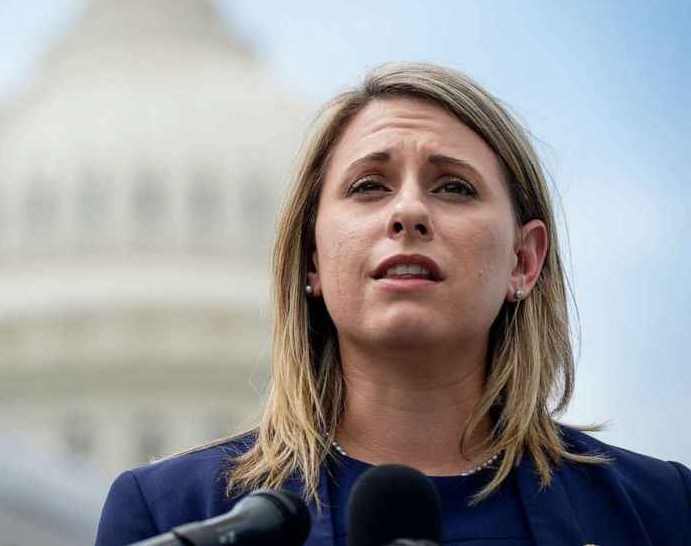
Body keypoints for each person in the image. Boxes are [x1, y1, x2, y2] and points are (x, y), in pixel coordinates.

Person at [95, 62, 691, 545]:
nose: (408, 212)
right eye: (369, 186)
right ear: (311, 260)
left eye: (453, 186)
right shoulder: (177, 515)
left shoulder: (660, 511)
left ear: (523, 261)